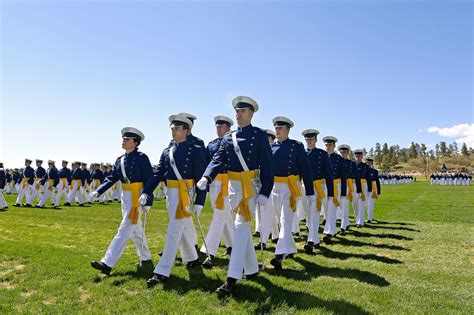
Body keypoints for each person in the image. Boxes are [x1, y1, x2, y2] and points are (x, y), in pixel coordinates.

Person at [196, 96, 274, 297]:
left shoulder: (258, 136)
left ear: (251, 114)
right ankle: (252, 269)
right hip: (233, 187)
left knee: (240, 226)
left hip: (250, 186)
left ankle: (232, 278)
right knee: (243, 229)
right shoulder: (229, 137)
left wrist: (265, 191)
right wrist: (207, 176)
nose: (238, 114)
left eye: (242, 111)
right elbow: (217, 159)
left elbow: (267, 166)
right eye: (237, 111)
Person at [144, 115, 207, 286]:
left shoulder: (195, 148)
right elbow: (158, 173)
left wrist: (200, 200)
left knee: (173, 230)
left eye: (177, 128)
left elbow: (202, 174)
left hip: (185, 192)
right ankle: (193, 258)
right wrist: (147, 191)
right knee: (183, 225)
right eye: (172, 128)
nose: (173, 131)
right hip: (171, 192)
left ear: (186, 130)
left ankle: (162, 271)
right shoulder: (167, 151)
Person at [90, 127, 153, 276]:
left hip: (138, 197)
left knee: (124, 229)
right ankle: (146, 256)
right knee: (135, 229)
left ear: (135, 143)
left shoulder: (142, 158)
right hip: (126, 197)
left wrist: (147, 199)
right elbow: (112, 178)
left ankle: (107, 262)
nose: (123, 141)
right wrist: (98, 191)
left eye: (127, 139)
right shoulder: (120, 160)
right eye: (123, 139)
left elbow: (150, 179)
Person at [269, 116, 315, 271]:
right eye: (276, 128)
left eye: (281, 128)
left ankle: (278, 256)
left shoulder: (296, 146)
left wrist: (310, 191)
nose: (277, 130)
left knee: (286, 220)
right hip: (275, 188)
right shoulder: (271, 148)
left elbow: (306, 169)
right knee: (281, 222)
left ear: (288, 130)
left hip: (291, 188)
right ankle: (290, 248)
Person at [200, 115, 235, 265]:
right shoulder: (211, 145)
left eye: (221, 126)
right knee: (223, 216)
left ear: (228, 127)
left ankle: (209, 251)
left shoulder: (233, 142)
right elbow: (208, 164)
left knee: (219, 216)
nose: (218, 129)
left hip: (228, 182)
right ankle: (233, 245)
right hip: (214, 183)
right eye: (217, 126)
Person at [301, 129, 333, 254]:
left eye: (311, 139)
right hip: (304, 187)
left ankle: (310, 242)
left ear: (315, 140)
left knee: (314, 214)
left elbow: (329, 174)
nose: (309, 141)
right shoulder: (302, 153)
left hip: (318, 187)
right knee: (308, 214)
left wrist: (330, 193)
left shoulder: (322, 154)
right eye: (307, 139)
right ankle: (315, 238)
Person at [322, 136, 347, 243]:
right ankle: (333, 229)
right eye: (326, 145)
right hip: (323, 185)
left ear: (334, 146)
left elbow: (343, 176)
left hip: (335, 185)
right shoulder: (322, 157)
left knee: (332, 209)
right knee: (326, 210)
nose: (328, 147)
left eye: (330, 145)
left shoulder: (339, 159)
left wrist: (343, 192)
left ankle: (329, 232)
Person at [338, 144, 362, 234]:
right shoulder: (336, 161)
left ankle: (343, 227)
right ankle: (346, 222)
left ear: (347, 153)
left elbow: (357, 177)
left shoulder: (351, 164)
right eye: (341, 152)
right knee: (339, 207)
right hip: (337, 184)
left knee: (345, 205)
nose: (343, 153)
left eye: (344, 152)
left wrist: (359, 190)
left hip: (348, 185)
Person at [353, 149, 370, 227]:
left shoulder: (366, 166)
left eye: (359, 156)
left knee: (361, 204)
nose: (358, 157)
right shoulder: (352, 165)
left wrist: (369, 189)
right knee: (355, 204)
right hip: (354, 185)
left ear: (362, 157)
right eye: (356, 156)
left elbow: (369, 178)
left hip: (363, 185)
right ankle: (357, 220)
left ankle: (361, 222)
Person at [365, 156, 381, 224]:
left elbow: (377, 181)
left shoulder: (374, 171)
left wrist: (379, 191)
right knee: (365, 204)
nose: (368, 163)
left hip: (373, 189)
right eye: (367, 162)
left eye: (370, 162)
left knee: (371, 204)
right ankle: (368, 215)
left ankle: (369, 218)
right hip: (365, 188)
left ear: (372, 163)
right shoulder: (364, 170)